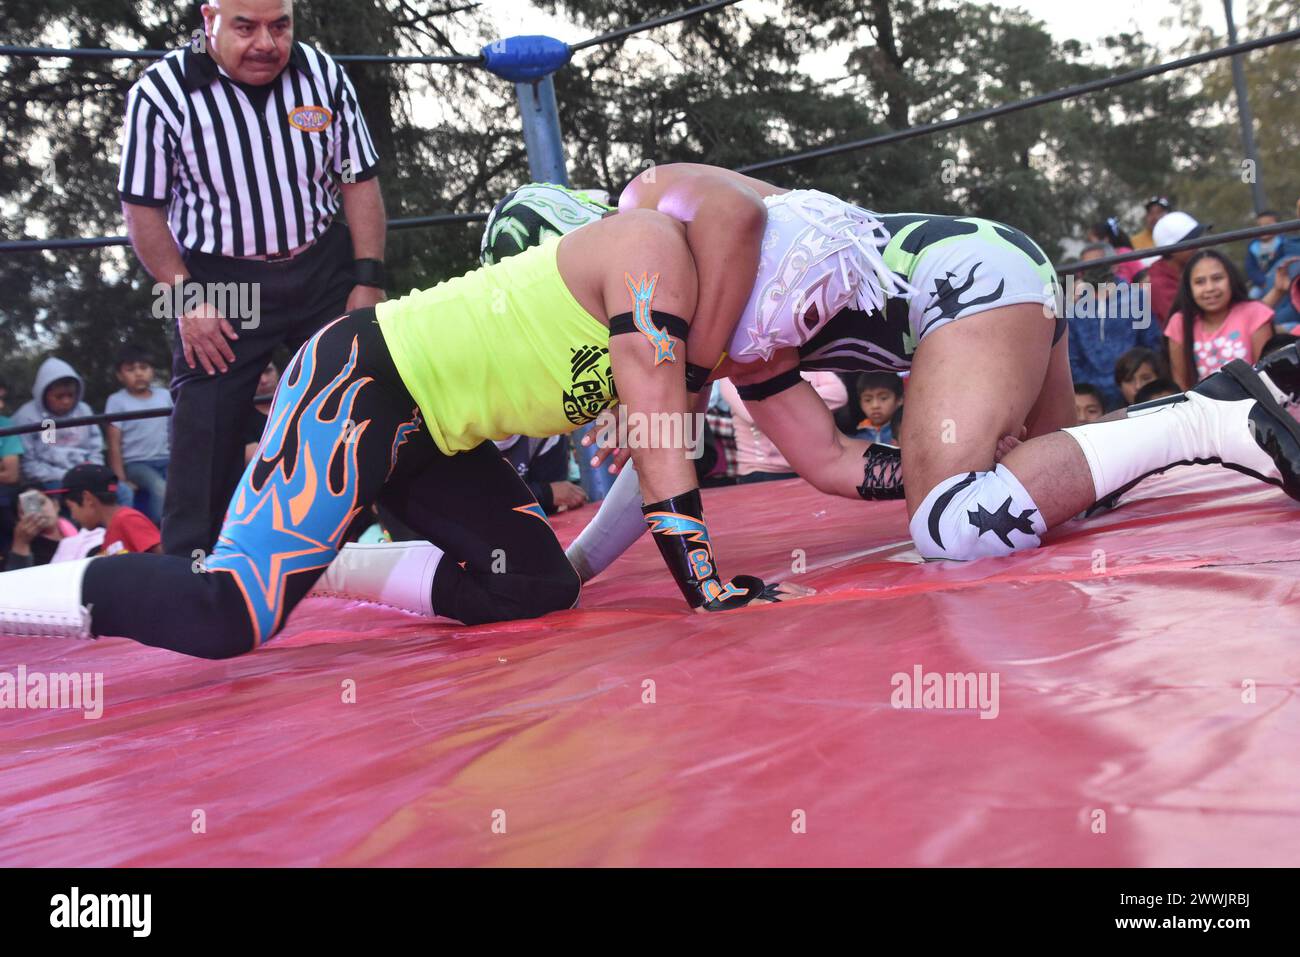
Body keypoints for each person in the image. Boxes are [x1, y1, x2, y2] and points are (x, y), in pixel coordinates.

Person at [0, 207, 809, 654]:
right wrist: (706, 588)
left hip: (437, 438)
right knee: (231, 615)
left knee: (535, 586)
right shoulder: (649, 253)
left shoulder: (678, 336)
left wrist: (620, 559)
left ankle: (332, 556)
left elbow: (651, 462)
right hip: (363, 383)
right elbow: (664, 450)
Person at [118, 0, 388, 559]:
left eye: (280, 24)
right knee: (204, 432)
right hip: (223, 278)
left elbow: (358, 180)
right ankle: (189, 580)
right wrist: (187, 297)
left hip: (320, 264)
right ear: (208, 19)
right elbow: (142, 210)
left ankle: (434, 545)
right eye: (246, 26)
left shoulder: (322, 74)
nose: (266, 43)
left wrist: (369, 278)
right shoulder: (161, 92)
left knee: (383, 394)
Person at [1067, 242, 1164, 408]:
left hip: (1135, 391)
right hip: (1092, 400)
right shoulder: (1074, 305)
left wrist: (1136, 381)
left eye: (1097, 264)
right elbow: (1071, 357)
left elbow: (1150, 345)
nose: (1092, 270)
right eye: (1087, 266)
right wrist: (1090, 389)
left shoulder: (1135, 298)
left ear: (1114, 264)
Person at [1165, 250, 1274, 389]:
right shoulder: (1179, 323)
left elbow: (1265, 378)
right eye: (1200, 282)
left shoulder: (1255, 313)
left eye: (1217, 278)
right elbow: (1181, 384)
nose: (1209, 288)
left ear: (1231, 279)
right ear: (1189, 288)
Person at [718, 371, 847, 483]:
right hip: (763, 470)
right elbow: (754, 414)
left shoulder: (803, 357)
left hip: (814, 467)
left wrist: (777, 400)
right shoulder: (733, 372)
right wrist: (809, 401)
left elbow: (839, 395)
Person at [104, 344, 172, 524]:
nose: (139, 373)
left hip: (167, 459)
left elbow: (175, 431)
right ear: (120, 375)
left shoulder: (164, 396)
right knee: (160, 489)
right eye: (131, 369)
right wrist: (121, 479)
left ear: (152, 371)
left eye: (144, 368)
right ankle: (160, 535)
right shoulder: (117, 401)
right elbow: (114, 444)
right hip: (138, 464)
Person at [52, 465, 162, 556]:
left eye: (71, 507)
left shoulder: (127, 519)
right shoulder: (110, 532)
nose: (73, 516)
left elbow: (163, 557)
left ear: (87, 499)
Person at [1145, 210, 1205, 329]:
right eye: (1190, 241)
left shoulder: (1191, 268)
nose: (1197, 246)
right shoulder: (1159, 283)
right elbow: (1183, 323)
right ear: (1172, 250)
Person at [850, 371, 903, 443]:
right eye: (868, 400)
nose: (875, 405)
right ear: (860, 403)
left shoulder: (904, 431)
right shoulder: (855, 436)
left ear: (900, 400)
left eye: (883, 398)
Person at [1086, 218, 1144, 282]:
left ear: (1105, 239)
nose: (1088, 246)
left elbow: (1143, 279)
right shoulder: (1091, 261)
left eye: (1090, 241)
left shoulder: (1125, 254)